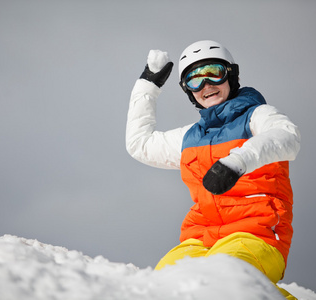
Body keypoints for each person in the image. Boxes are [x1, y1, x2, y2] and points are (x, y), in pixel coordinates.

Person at [126, 40, 300, 299]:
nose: (206, 85)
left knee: (223, 285)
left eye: (213, 73)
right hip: (200, 237)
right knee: (162, 287)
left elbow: (287, 137)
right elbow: (140, 145)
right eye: (195, 79)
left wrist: (238, 161)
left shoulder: (258, 116)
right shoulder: (190, 137)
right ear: (188, 90)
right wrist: (148, 84)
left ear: (230, 75)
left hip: (256, 233)